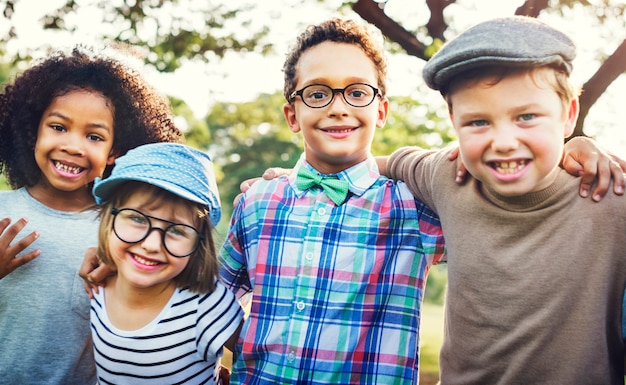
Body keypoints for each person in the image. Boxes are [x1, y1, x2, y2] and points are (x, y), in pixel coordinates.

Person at [385, 16, 626, 384]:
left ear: (568, 114)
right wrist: (291, 175)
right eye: (478, 122)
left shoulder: (612, 197)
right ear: (453, 122)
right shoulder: (446, 175)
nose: (503, 141)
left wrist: (583, 143)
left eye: (526, 117)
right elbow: (382, 164)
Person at [217, 18, 445, 384]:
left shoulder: (413, 208)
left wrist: (570, 152)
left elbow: (493, 196)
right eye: (318, 93)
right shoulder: (256, 201)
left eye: (356, 92)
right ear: (293, 115)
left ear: (381, 111)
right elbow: (214, 300)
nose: (338, 108)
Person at [0, 45, 183, 384]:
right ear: (31, 130)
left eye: (94, 136)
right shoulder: (2, 211)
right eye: (58, 127)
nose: (73, 145)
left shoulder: (124, 230)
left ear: (114, 150)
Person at [89, 142, 244, 384]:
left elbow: (261, 360)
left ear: (199, 243)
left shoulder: (205, 304)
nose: (151, 244)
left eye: (176, 230)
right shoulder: (98, 285)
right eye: (138, 218)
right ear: (110, 218)